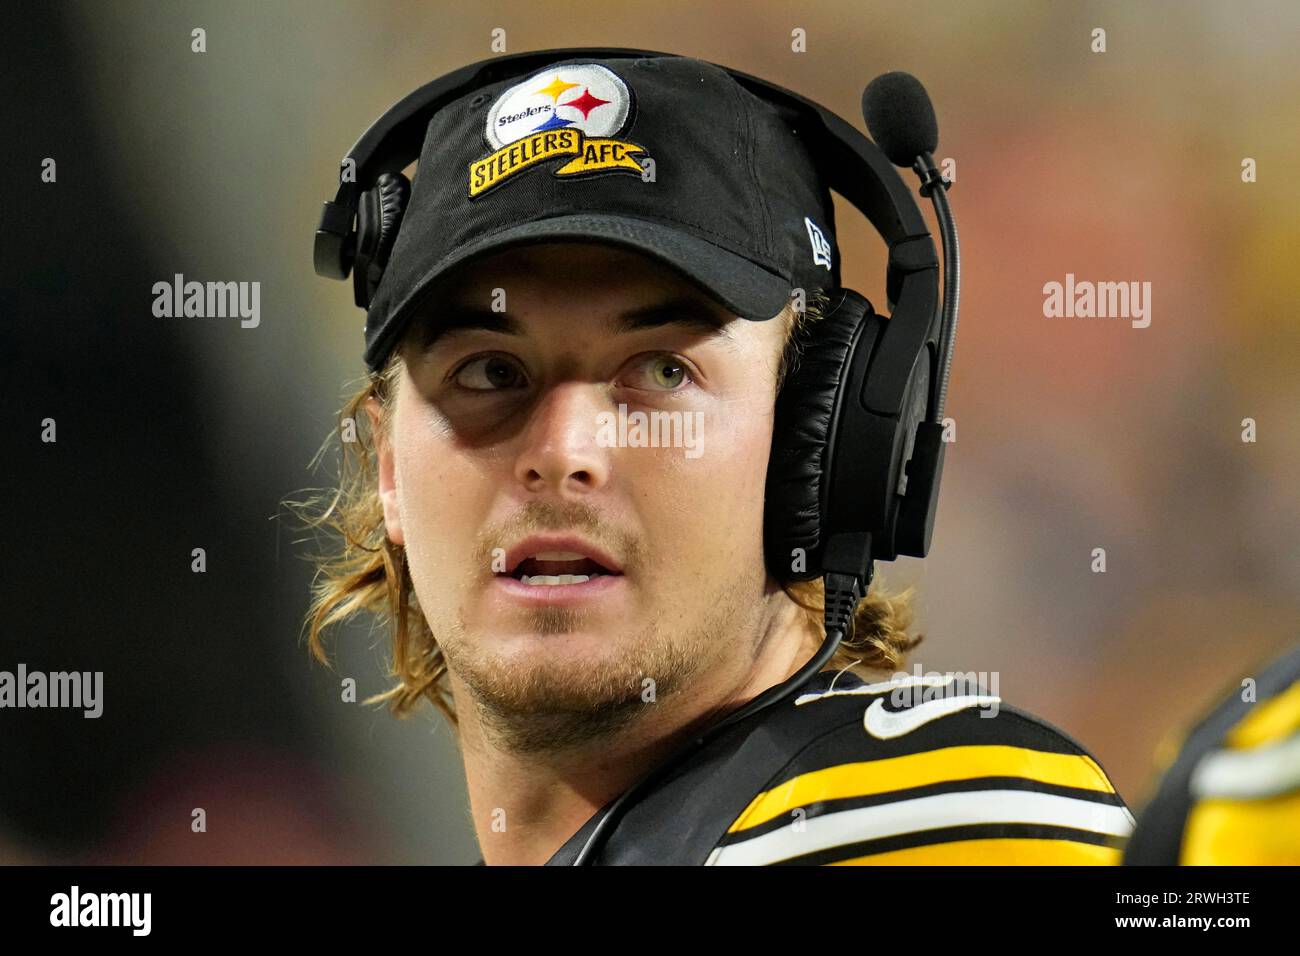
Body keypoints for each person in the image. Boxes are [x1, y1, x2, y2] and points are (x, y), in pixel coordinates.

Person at [298, 54, 1134, 865]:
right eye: (490, 373)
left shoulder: (929, 814)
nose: (562, 452)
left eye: (664, 371)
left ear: (824, 445)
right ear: (390, 468)